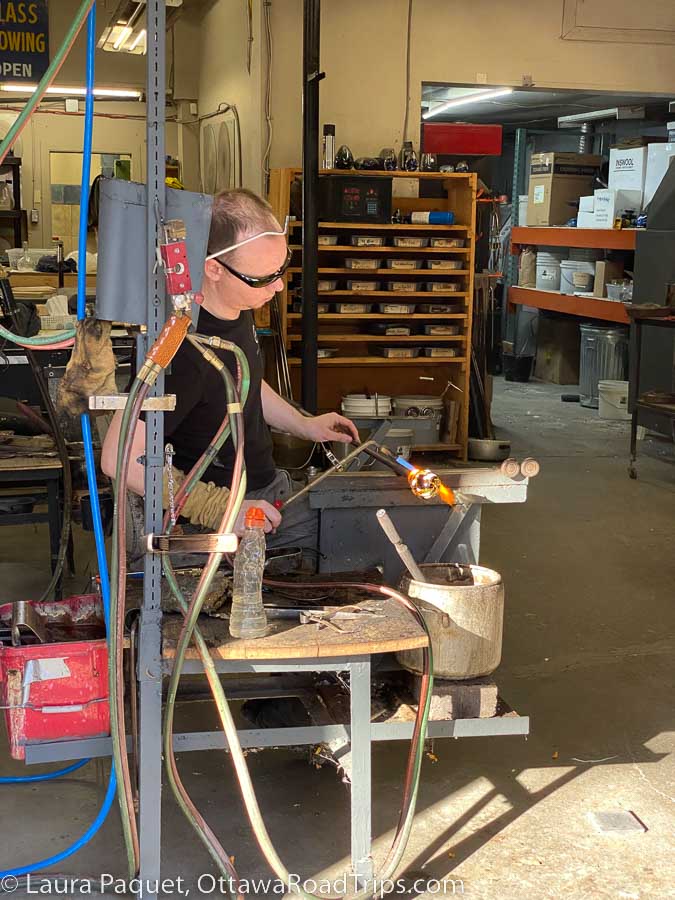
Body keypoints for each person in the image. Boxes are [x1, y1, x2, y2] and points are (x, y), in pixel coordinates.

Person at [101, 188, 359, 558]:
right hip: (217, 519)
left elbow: (244, 379)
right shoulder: (182, 346)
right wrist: (222, 509)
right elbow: (119, 459)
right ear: (214, 268)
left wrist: (304, 424)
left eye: (281, 270)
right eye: (263, 278)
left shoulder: (240, 304)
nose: (278, 286)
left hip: (265, 489)